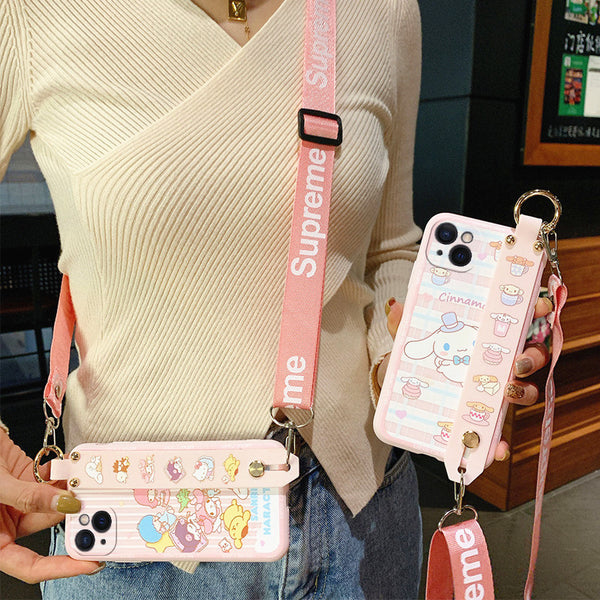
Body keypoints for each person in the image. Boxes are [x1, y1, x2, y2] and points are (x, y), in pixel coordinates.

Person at [0, 0, 552, 598]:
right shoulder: (30, 14)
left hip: (361, 508)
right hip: (140, 527)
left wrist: (411, 365)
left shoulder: (383, 11)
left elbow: (388, 249)